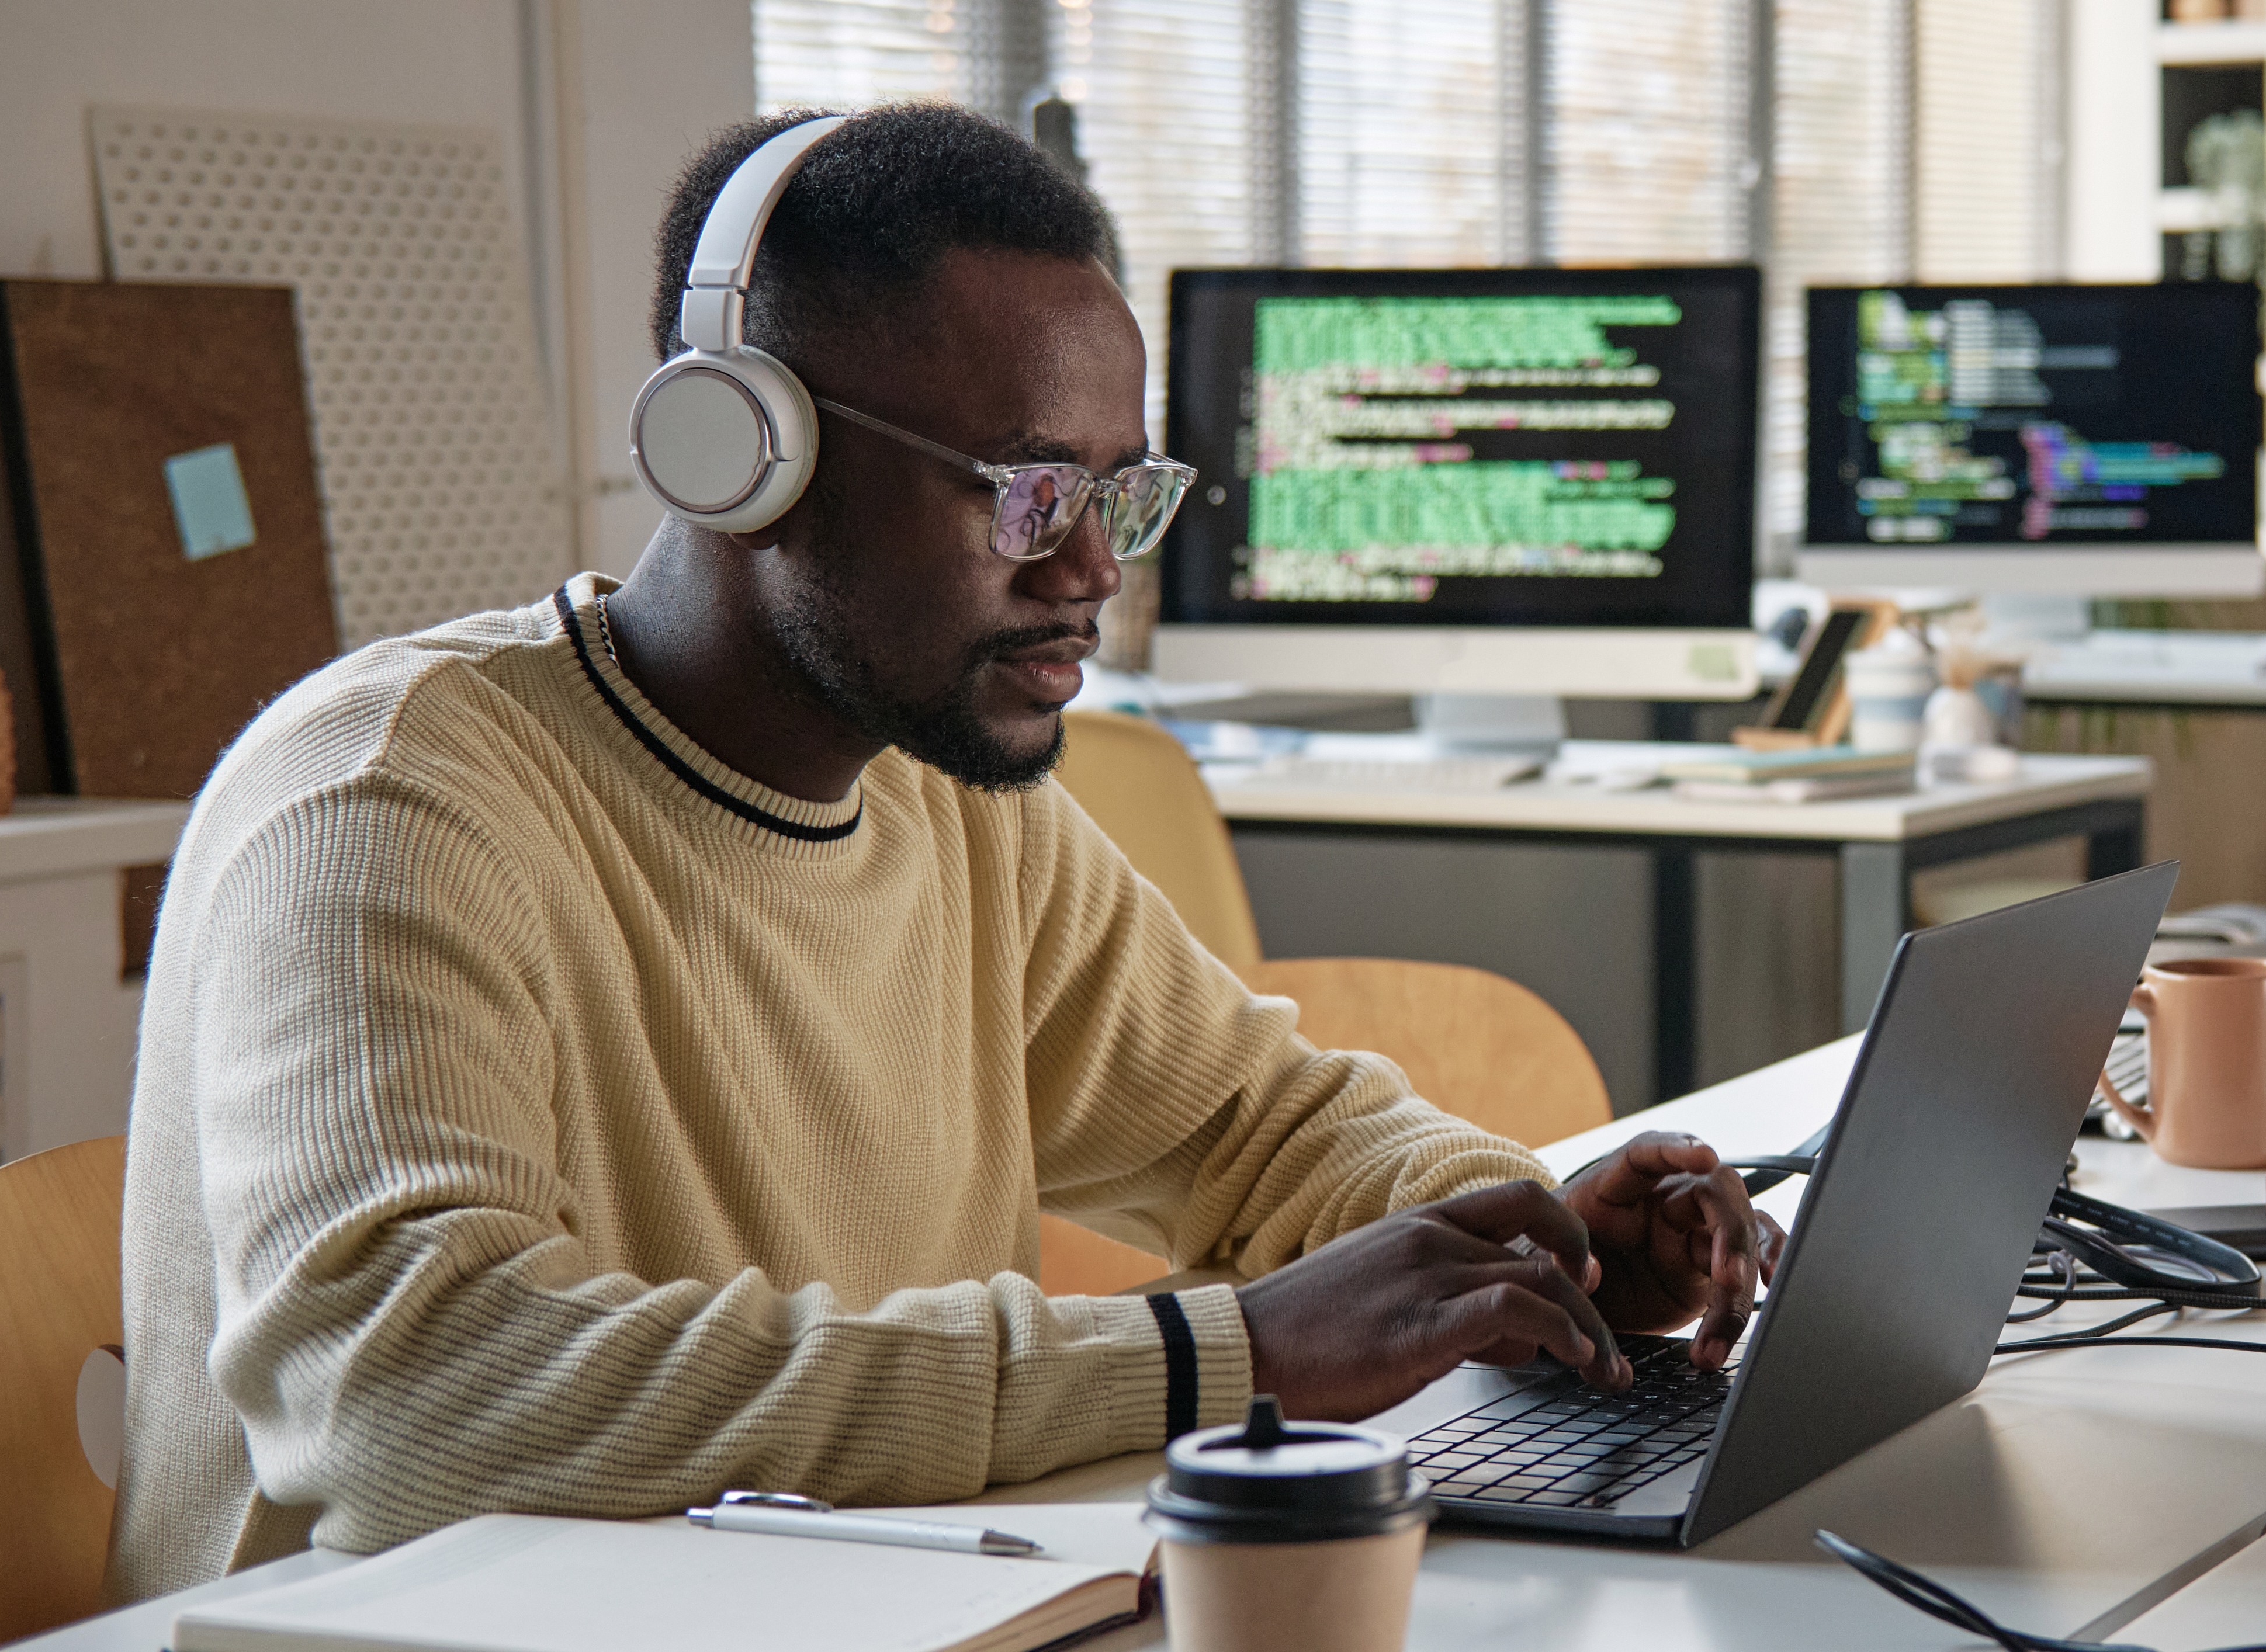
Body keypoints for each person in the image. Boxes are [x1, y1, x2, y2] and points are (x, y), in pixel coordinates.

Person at [109, 104, 1778, 1599]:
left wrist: (1524, 1245)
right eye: (1029, 492)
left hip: (813, 1603)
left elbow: (1265, 1131)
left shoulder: (956, 803)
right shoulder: (392, 799)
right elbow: (410, 1391)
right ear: (743, 448)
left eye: (1123, 497)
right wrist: (1219, 1354)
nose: (1089, 575)